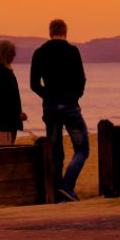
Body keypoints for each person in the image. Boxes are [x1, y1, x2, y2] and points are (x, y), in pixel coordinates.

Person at [30, 18, 88, 202]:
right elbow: (81, 79)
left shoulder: (40, 53)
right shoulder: (73, 51)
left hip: (51, 108)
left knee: (56, 151)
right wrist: (75, 96)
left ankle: (57, 192)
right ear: (66, 32)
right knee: (82, 149)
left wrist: (47, 96)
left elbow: (34, 83)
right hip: (70, 105)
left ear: (50, 32)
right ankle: (66, 186)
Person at [0, 40, 26, 145]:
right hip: (3, 124)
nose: (14, 55)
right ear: (4, 53)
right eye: (11, 52)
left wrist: (18, 114)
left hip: (9, 123)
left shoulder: (6, 72)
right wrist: (16, 115)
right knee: (4, 153)